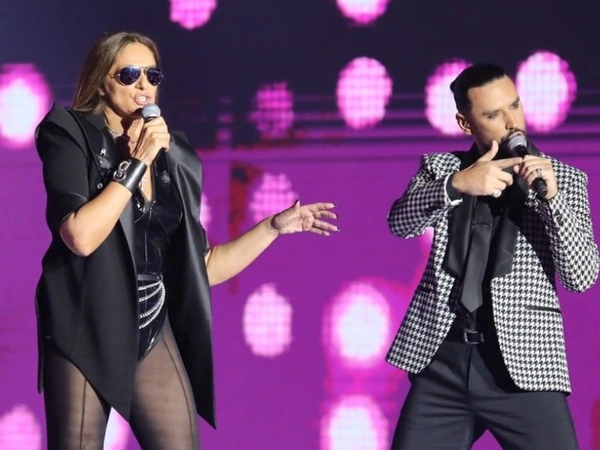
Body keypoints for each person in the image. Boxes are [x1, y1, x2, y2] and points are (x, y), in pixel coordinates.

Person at [34, 31, 338, 450]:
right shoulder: (69, 132)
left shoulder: (175, 157)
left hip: (149, 318)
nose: (144, 85)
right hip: (84, 319)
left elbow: (202, 266)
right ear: (102, 81)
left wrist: (271, 227)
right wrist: (137, 161)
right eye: (129, 74)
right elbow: (80, 236)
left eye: (153, 75)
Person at [386, 63, 599, 449]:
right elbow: (401, 223)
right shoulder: (442, 169)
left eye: (514, 106)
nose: (512, 122)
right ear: (466, 123)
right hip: (444, 362)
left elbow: (581, 277)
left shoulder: (564, 179)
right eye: (493, 114)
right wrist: (456, 185)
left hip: (524, 365)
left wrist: (551, 200)